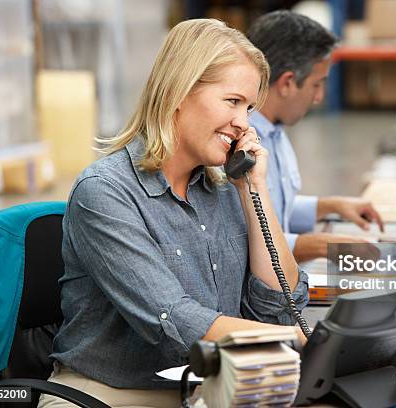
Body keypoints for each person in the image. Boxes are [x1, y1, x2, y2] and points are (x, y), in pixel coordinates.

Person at [38, 19, 309, 408]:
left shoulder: (225, 189)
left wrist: (255, 193)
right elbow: (173, 319)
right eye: (232, 102)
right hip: (108, 394)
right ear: (179, 91)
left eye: (249, 108)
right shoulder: (105, 191)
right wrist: (298, 339)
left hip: (207, 386)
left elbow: (278, 310)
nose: (243, 123)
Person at [247, 11, 384, 263]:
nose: (319, 97)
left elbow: (272, 211)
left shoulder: (275, 133)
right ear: (288, 82)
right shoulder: (240, 146)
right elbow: (246, 240)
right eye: (316, 84)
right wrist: (325, 246)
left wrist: (331, 206)